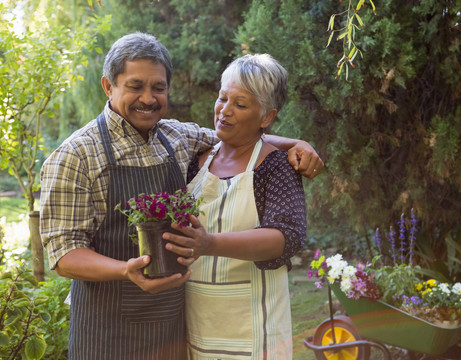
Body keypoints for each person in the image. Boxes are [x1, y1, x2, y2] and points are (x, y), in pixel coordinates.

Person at [40, 33, 323, 360]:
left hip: (174, 333)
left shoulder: (177, 137)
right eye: (135, 86)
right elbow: (65, 254)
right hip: (108, 333)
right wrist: (124, 270)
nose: (148, 98)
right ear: (108, 86)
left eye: (158, 88)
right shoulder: (76, 155)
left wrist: (296, 144)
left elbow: (235, 136)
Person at [164, 54, 306, 359]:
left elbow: (286, 236)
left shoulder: (275, 165)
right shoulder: (197, 160)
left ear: (267, 117)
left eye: (240, 105)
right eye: (222, 98)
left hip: (254, 329)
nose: (224, 111)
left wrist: (209, 243)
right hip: (196, 323)